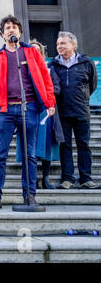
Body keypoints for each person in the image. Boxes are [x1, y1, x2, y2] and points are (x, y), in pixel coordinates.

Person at [0, 15, 56, 209]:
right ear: (2, 34)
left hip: (28, 107)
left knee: (29, 153)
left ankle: (29, 195)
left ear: (19, 32)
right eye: (7, 28)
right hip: (3, 110)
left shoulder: (31, 53)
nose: (11, 30)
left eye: (14, 28)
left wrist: (50, 102)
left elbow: (45, 78)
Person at [48, 31, 98, 189]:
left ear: (73, 45)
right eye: (57, 44)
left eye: (63, 43)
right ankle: (67, 178)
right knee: (65, 146)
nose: (59, 47)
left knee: (84, 145)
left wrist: (82, 98)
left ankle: (86, 178)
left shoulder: (86, 62)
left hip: (81, 111)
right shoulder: (53, 64)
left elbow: (92, 84)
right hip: (62, 112)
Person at [15, 39, 64, 189]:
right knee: (31, 145)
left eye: (37, 49)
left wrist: (43, 92)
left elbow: (56, 88)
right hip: (28, 109)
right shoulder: (21, 68)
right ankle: (32, 178)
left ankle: (45, 178)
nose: (34, 51)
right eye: (32, 49)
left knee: (46, 144)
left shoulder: (49, 69)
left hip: (45, 112)